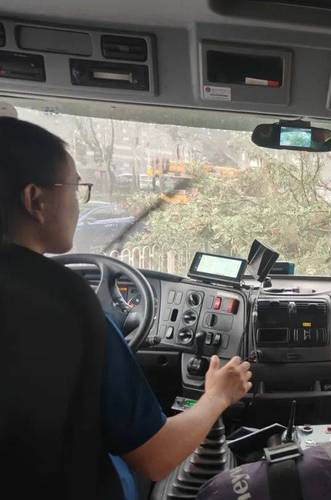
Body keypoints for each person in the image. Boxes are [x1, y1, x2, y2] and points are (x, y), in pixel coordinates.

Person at [0, 117, 252, 499]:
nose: (77, 201)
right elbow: (156, 458)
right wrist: (218, 395)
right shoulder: (67, 300)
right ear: (36, 200)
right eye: (75, 187)